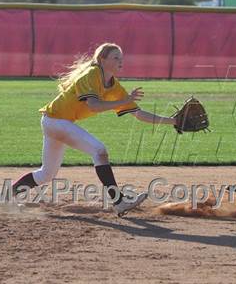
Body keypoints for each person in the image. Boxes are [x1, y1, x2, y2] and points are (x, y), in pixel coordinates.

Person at [11, 42, 176, 216]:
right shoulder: (92, 74)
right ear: (102, 59)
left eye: (121, 58)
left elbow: (138, 114)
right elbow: (94, 105)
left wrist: (173, 121)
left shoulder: (114, 86)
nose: (121, 61)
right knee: (99, 151)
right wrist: (124, 100)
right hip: (55, 121)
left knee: (46, 174)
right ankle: (118, 201)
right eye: (115, 57)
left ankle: (5, 196)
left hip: (57, 123)